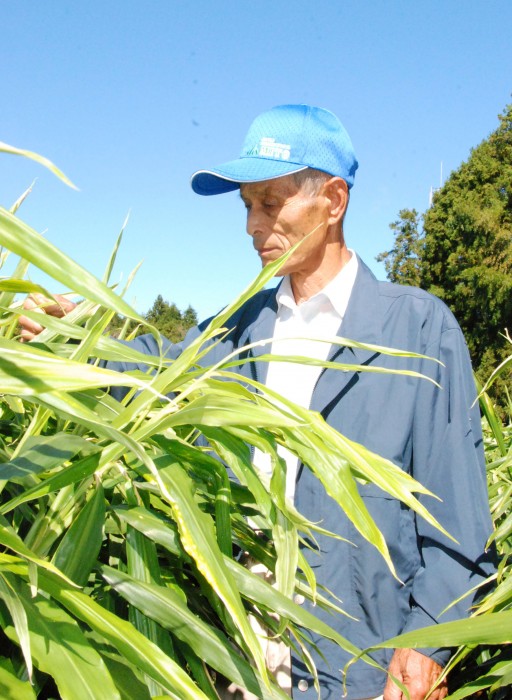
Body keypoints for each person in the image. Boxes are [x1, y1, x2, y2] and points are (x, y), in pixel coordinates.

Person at [20, 105, 495, 700]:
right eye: (247, 205)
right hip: (246, 665)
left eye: (270, 202)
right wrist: (77, 334)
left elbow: (460, 524)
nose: (252, 224)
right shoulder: (245, 329)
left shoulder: (417, 329)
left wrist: (425, 642)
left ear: (333, 200)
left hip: (362, 672)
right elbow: (154, 374)